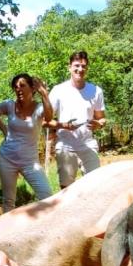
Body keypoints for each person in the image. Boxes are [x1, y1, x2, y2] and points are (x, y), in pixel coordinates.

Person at [0, 73, 53, 212]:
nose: (18, 89)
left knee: (46, 196)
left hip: (30, 162)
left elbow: (49, 117)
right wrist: (5, 130)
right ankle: (8, 232)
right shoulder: (9, 105)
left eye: (22, 85)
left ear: (32, 89)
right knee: (8, 201)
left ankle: (42, 229)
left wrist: (44, 93)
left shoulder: (39, 108)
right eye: (15, 86)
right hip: (7, 159)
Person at [47, 51, 107, 189]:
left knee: (96, 185)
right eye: (77, 65)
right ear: (69, 67)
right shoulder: (58, 90)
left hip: (88, 144)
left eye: (84, 66)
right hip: (65, 145)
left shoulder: (96, 91)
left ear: (87, 68)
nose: (80, 69)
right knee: (67, 189)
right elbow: (45, 120)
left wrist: (99, 124)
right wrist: (64, 125)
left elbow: (102, 118)